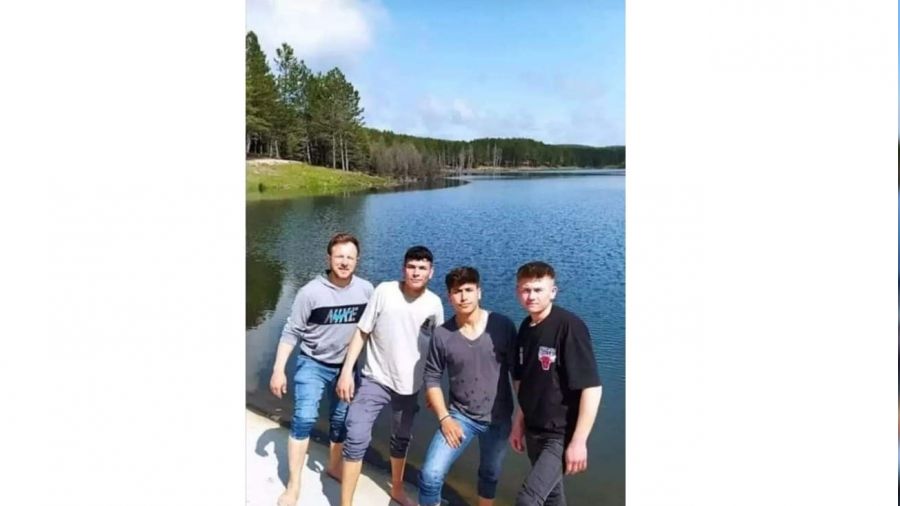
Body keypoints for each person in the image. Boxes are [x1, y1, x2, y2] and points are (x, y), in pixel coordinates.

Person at [268, 233, 374, 506]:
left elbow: (373, 328)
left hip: (346, 368)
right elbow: (291, 331)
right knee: (304, 419)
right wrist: (278, 369)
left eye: (350, 257)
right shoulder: (311, 292)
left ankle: (334, 466)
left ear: (357, 260)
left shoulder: (366, 290)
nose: (344, 262)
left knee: (340, 422)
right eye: (339, 256)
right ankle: (294, 485)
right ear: (329, 258)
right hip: (312, 363)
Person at [335, 245, 445, 506]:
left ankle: (397, 489)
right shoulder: (384, 291)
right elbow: (362, 331)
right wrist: (346, 372)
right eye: (411, 267)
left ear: (431, 272)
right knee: (356, 435)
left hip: (409, 387)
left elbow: (437, 350)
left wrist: (433, 388)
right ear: (403, 268)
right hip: (375, 379)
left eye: (422, 268)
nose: (416, 273)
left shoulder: (434, 304)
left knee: (401, 440)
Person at [418, 266, 518, 506]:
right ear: (449, 297)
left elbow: (518, 375)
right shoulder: (442, 334)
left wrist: (521, 418)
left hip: (498, 418)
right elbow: (432, 377)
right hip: (460, 417)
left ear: (479, 292)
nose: (463, 297)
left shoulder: (501, 326)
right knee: (430, 475)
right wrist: (444, 418)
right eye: (457, 292)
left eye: (468, 290)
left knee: (489, 474)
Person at [509, 261, 602, 506]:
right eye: (526, 290)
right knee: (551, 497)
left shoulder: (569, 327)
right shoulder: (526, 328)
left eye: (538, 290)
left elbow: (592, 387)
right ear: (518, 292)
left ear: (553, 292)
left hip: (559, 434)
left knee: (528, 499)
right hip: (533, 429)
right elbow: (524, 380)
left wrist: (579, 441)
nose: (531, 296)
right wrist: (519, 421)